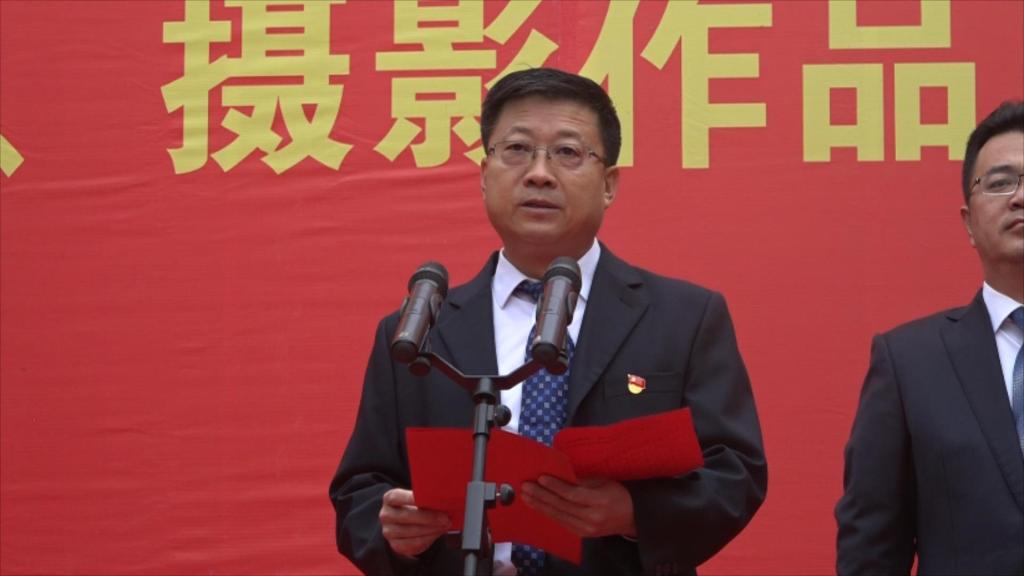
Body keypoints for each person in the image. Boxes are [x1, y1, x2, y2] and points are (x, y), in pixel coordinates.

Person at [330, 67, 767, 576]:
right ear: (484, 174)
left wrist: (635, 514)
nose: (539, 173)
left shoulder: (682, 318)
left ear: (608, 185)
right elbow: (361, 492)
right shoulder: (417, 331)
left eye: (567, 152)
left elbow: (736, 473)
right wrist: (399, 532)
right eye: (517, 149)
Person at [835, 101, 1024, 575]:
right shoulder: (910, 364)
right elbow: (871, 551)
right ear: (968, 223)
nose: (1019, 197)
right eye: (1000, 183)